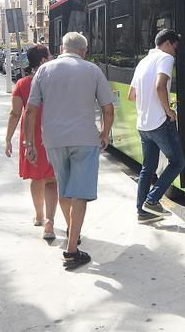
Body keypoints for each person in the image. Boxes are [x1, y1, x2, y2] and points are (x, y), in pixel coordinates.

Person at [25, 32, 114, 270]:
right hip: (85, 138)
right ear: (84, 51)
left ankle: (73, 233)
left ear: (62, 48)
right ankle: (72, 249)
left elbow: (30, 110)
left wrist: (29, 144)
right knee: (80, 193)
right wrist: (105, 134)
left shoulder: (44, 70)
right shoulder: (93, 70)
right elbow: (108, 108)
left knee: (64, 188)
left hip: (53, 140)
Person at [128, 29, 183, 224]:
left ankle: (141, 211)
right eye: (175, 47)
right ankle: (152, 200)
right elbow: (160, 86)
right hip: (159, 123)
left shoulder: (143, 62)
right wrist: (169, 110)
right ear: (168, 43)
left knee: (147, 167)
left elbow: (131, 95)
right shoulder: (165, 59)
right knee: (177, 162)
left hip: (143, 124)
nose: (175, 52)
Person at [5, 45, 58, 241]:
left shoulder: (22, 84)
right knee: (52, 180)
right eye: (50, 56)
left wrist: (8, 138)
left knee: (38, 178)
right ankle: (50, 222)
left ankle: (39, 216)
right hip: (53, 134)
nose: (53, 58)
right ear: (43, 60)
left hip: (32, 137)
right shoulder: (55, 82)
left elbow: (15, 113)